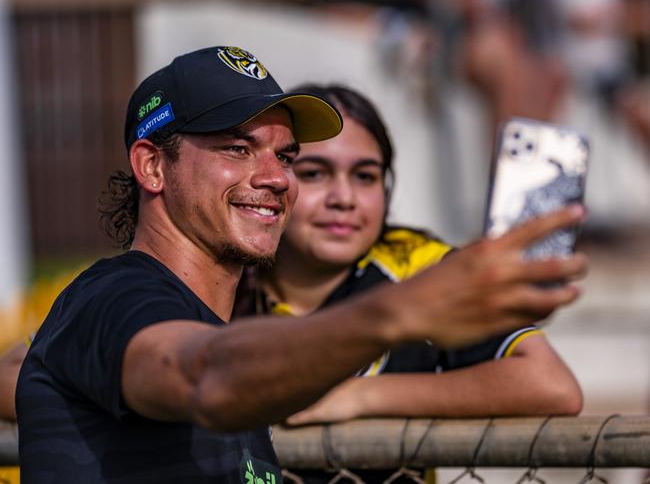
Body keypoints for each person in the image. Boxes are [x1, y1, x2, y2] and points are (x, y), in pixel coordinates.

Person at [16, 45, 587, 483]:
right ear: (153, 166)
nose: (276, 178)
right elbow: (206, 377)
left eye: (286, 157)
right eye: (237, 149)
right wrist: (397, 315)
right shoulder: (115, 295)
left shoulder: (211, 323)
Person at [233, 84, 582, 483]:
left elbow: (551, 386)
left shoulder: (420, 266)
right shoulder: (232, 270)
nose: (344, 198)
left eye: (365, 176)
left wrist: (358, 397)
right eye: (315, 173)